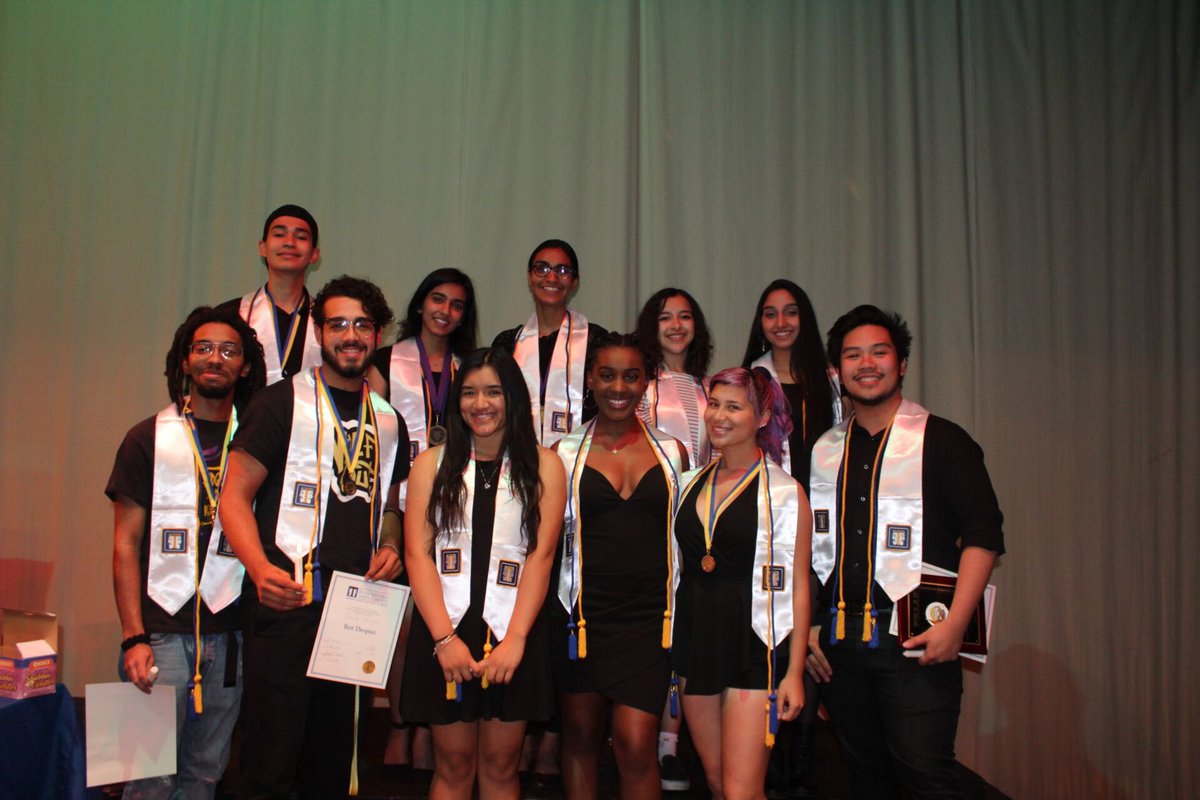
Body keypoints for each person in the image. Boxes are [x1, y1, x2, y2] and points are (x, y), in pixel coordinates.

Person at [218, 276, 411, 799]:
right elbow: (232, 497)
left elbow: (391, 505)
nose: (351, 335)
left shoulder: (390, 422)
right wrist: (259, 569)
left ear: (377, 335)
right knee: (269, 766)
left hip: (353, 613)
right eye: (339, 324)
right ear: (320, 332)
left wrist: (392, 545)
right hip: (288, 607)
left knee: (332, 766)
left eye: (363, 325)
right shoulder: (280, 403)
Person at [805, 305, 1005, 798]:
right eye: (853, 355)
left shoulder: (943, 440)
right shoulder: (823, 449)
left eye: (879, 351)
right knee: (866, 776)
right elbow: (809, 549)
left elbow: (983, 535)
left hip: (917, 641)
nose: (866, 364)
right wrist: (809, 627)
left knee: (926, 774)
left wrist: (956, 624)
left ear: (902, 363)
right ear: (839, 370)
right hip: (840, 650)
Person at [107, 306, 266, 799]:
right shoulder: (146, 437)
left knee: (206, 773)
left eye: (229, 350)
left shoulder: (263, 440)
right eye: (203, 348)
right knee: (144, 775)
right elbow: (124, 544)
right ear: (184, 362)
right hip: (158, 634)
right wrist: (132, 637)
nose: (214, 358)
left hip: (232, 630)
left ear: (244, 366)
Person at [399, 347, 566, 800]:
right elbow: (417, 554)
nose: (481, 403)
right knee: (452, 765)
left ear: (512, 397)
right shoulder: (431, 465)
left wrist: (515, 641)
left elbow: (542, 556)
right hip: (446, 628)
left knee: (500, 766)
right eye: (469, 392)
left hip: (513, 631)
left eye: (493, 391)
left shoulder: (544, 466)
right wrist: (444, 640)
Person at [553, 333, 689, 800]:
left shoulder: (673, 452)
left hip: (649, 620)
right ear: (590, 379)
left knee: (635, 743)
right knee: (580, 739)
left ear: (646, 383)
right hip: (582, 618)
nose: (618, 386)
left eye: (631, 376)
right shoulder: (562, 454)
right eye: (607, 375)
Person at [671, 367, 811, 800]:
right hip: (697, 643)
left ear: (763, 416)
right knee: (715, 782)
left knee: (740, 791)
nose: (719, 416)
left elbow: (801, 586)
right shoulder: (690, 483)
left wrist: (794, 673)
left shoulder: (786, 493)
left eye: (734, 406)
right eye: (714, 404)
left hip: (755, 649)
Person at [368, 267, 478, 774]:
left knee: (442, 616)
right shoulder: (386, 360)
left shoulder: (468, 369)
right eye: (438, 299)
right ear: (420, 303)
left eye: (457, 304)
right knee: (401, 625)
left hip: (453, 508)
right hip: (393, 502)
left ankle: (431, 725)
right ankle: (397, 725)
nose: (446, 311)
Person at [491, 239, 607, 446]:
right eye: (541, 268)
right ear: (529, 277)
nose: (551, 277)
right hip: (517, 461)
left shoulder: (596, 341)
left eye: (562, 270)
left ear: (574, 281)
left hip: (583, 460)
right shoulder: (507, 344)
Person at [741, 279, 842, 487]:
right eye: (770, 315)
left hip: (824, 496)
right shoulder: (750, 380)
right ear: (761, 323)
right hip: (768, 497)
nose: (780, 323)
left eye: (791, 312)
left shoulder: (831, 380)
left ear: (804, 318)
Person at [218, 204, 323, 384]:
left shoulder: (328, 321)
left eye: (301, 237)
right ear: (263, 248)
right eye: (279, 235)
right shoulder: (228, 316)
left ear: (314, 254)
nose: (289, 242)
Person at [635, 287, 713, 468]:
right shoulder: (640, 388)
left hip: (704, 491)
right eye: (665, 318)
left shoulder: (711, 388)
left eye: (685, 316)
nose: (676, 325)